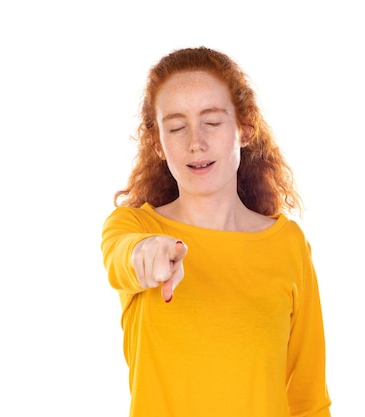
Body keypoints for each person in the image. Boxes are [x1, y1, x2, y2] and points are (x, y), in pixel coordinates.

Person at [100, 46, 331, 417]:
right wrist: (145, 251)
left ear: (244, 129)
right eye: (176, 127)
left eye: (212, 121)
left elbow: (308, 401)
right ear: (158, 143)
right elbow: (123, 256)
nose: (196, 142)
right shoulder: (136, 227)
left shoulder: (288, 244)